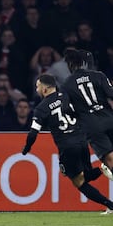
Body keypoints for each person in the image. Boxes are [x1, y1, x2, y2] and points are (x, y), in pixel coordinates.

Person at [22, 74, 113, 213]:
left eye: (38, 87)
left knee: (79, 182)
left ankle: (109, 203)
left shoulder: (41, 108)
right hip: (82, 141)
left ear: (45, 89)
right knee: (85, 175)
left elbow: (33, 133)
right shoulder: (67, 97)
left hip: (67, 146)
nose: (37, 90)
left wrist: (26, 148)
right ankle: (102, 170)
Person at [61, 49, 113, 181]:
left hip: (90, 125)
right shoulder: (98, 75)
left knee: (109, 157)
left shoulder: (66, 85)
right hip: (109, 118)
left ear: (70, 65)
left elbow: (65, 109)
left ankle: (107, 167)